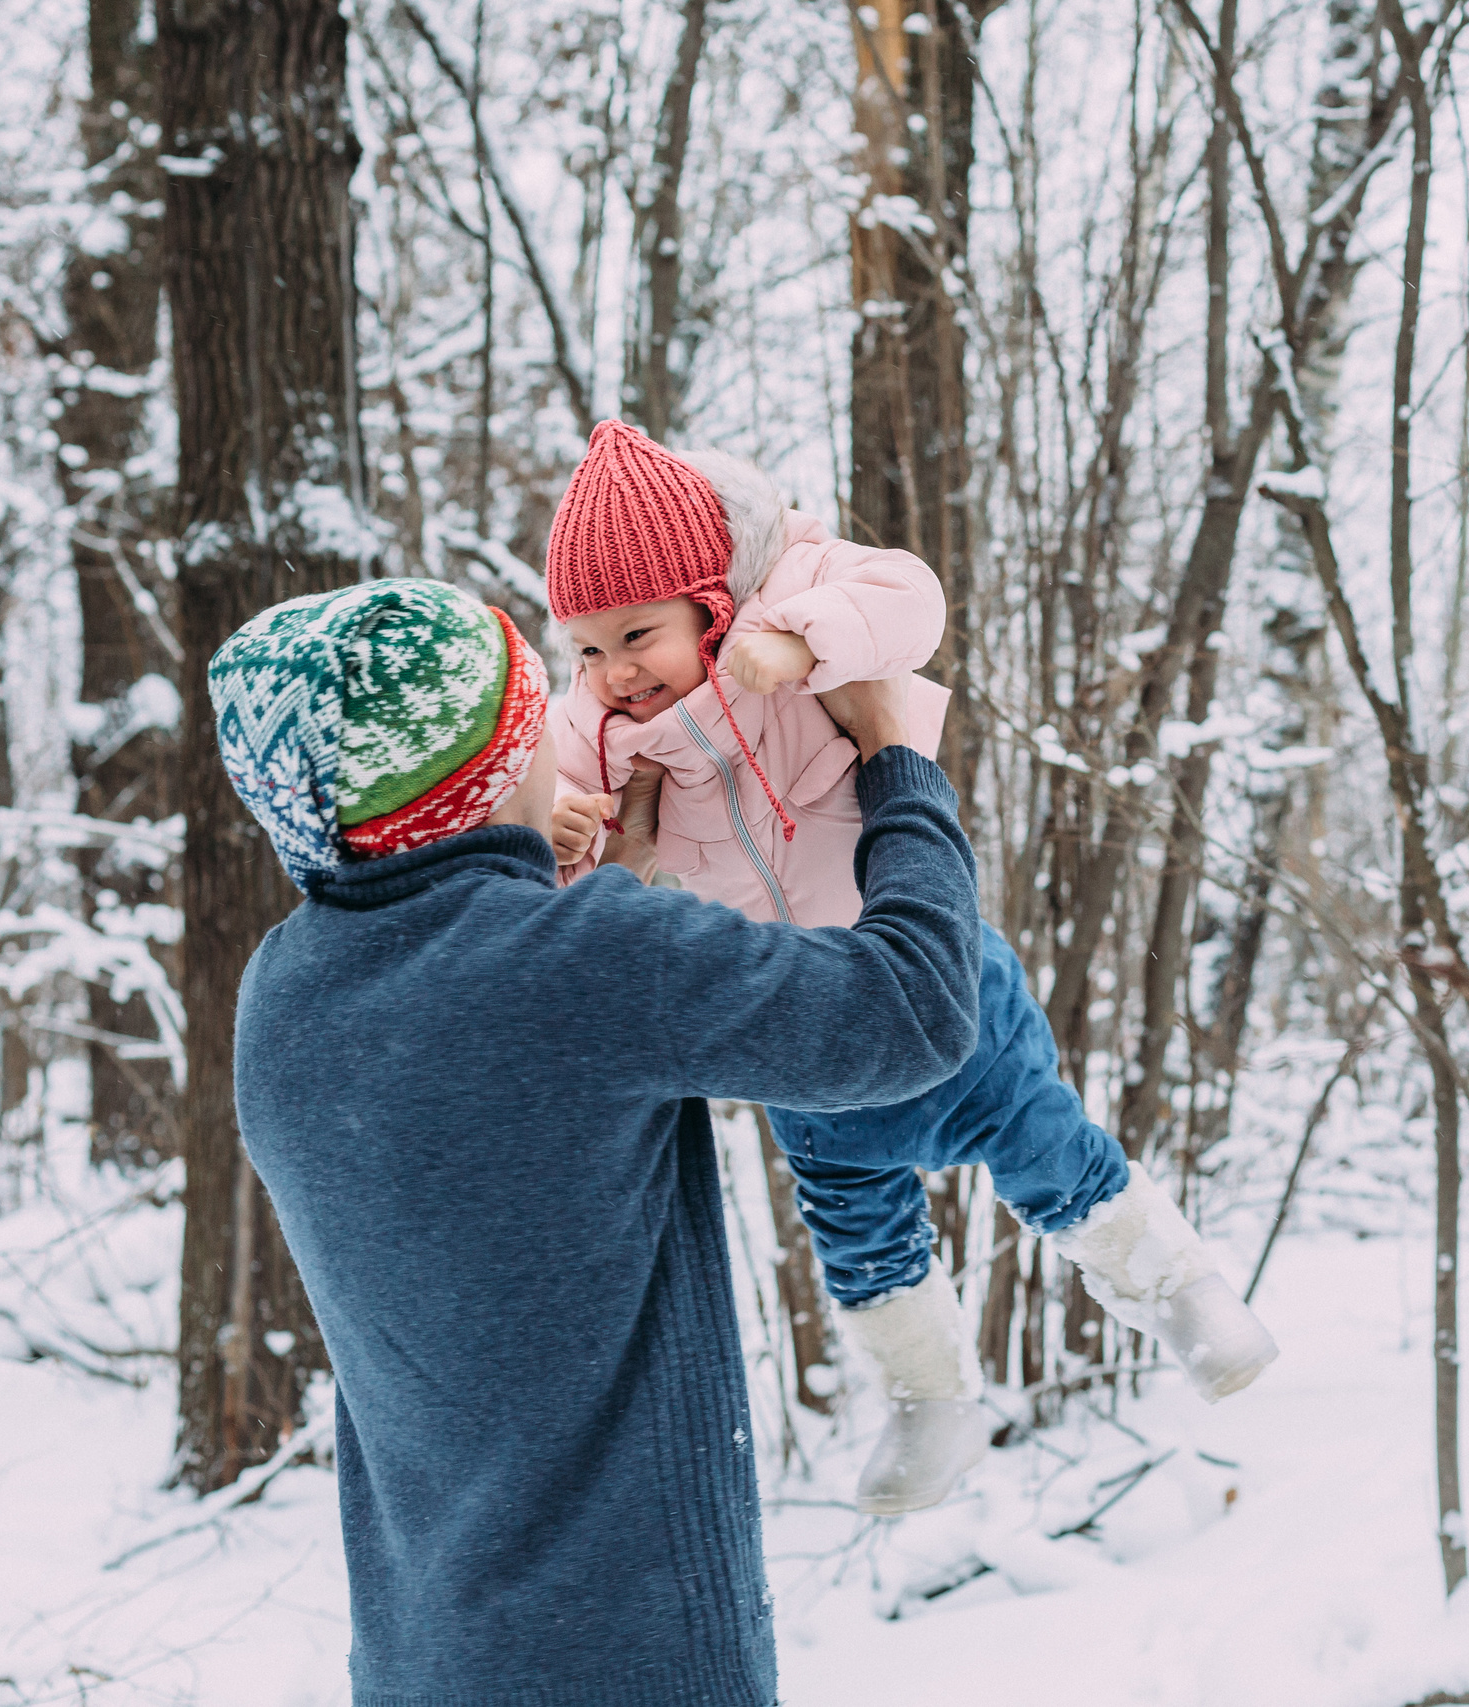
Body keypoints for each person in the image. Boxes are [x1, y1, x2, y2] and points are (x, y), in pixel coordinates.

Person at [209, 574, 980, 1707]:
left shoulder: (284, 994)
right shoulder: (582, 962)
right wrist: (897, 761)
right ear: (486, 773)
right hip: (633, 1659)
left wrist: (609, 882)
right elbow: (913, 1011)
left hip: (425, 1662)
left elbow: (507, 1102)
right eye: (534, 720)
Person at [540, 421, 1279, 1516]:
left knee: (1039, 1139)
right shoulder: (603, 732)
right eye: (587, 649)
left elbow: (911, 600)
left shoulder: (793, 589)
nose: (614, 672)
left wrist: (803, 647)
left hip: (919, 952)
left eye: (636, 634)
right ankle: (930, 1403)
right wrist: (562, 831)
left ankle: (1182, 1293)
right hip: (795, 1008)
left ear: (710, 600)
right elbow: (561, 851)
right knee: (851, 1218)